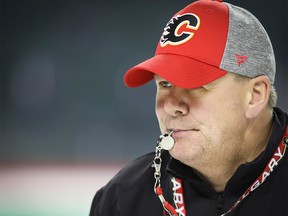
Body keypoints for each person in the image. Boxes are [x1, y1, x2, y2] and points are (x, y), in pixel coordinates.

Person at [89, 0, 288, 215]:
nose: (171, 105)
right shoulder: (122, 199)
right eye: (164, 84)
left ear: (255, 95)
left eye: (194, 85)